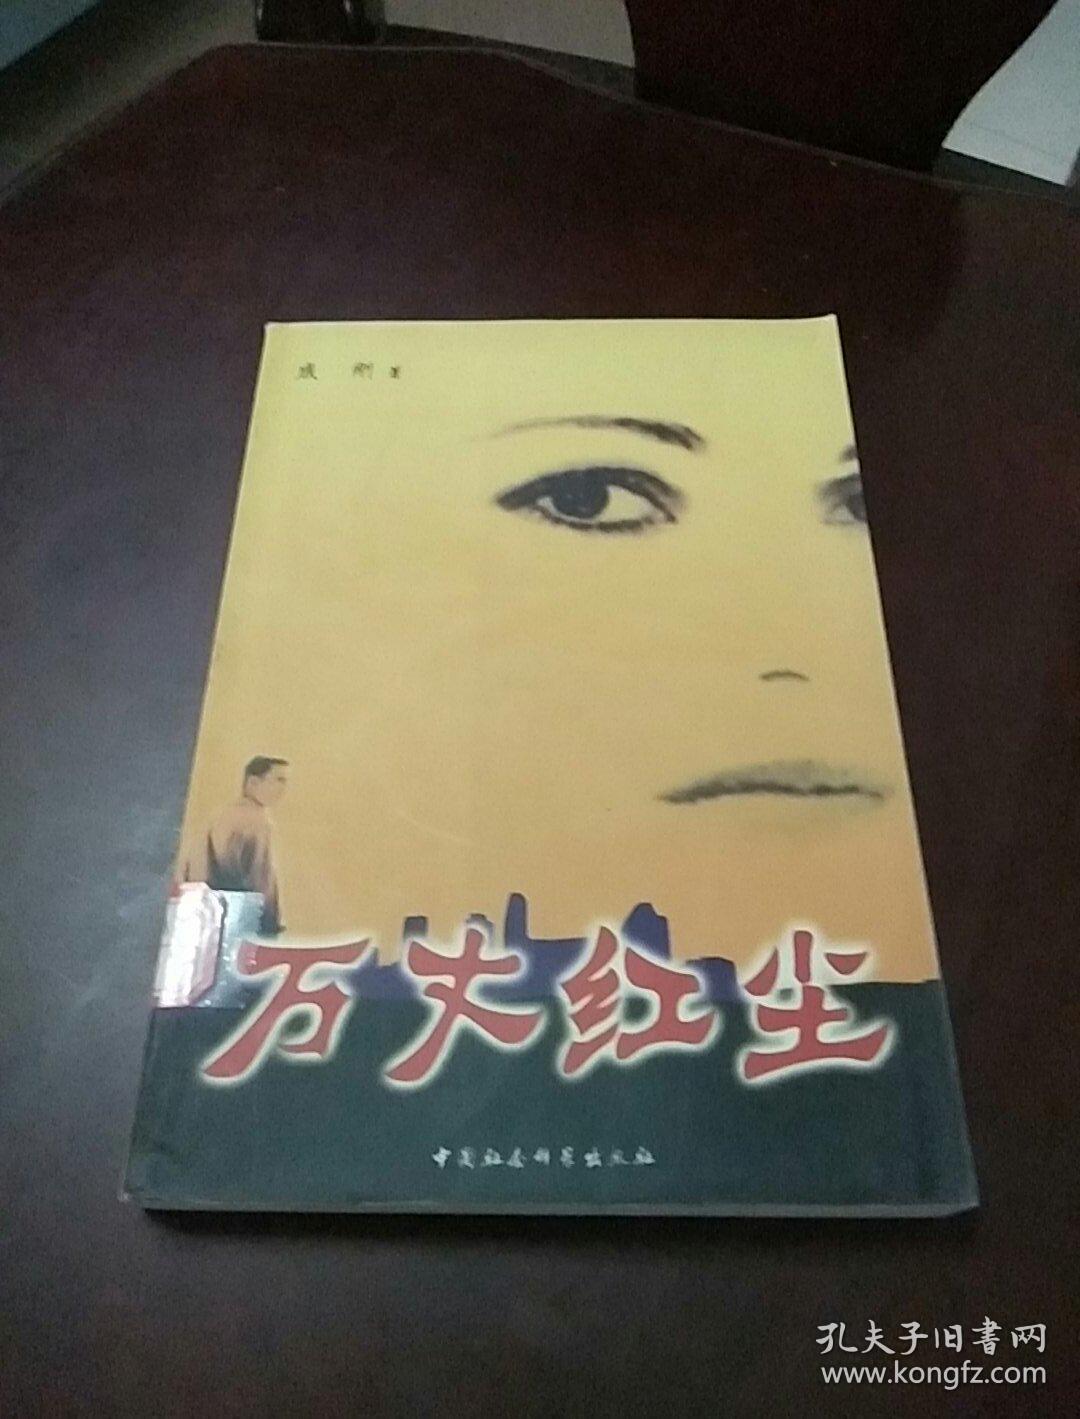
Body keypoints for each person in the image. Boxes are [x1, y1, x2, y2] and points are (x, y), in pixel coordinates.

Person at [183, 756, 289, 934]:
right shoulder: (258, 821)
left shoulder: (221, 814)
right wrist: (271, 924)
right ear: (253, 782)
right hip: (240, 915)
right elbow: (262, 877)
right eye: (279, 780)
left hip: (203, 912)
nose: (283, 788)